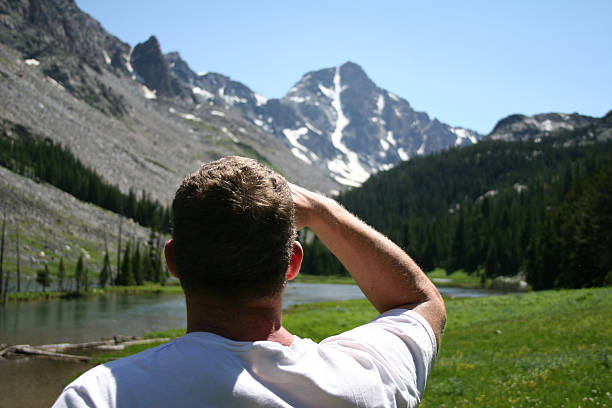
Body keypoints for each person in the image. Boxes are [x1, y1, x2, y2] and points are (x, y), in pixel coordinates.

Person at [53, 156, 446, 408]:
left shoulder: (100, 395)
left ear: (173, 262)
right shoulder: (363, 383)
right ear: (292, 264)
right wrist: (324, 212)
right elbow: (420, 303)